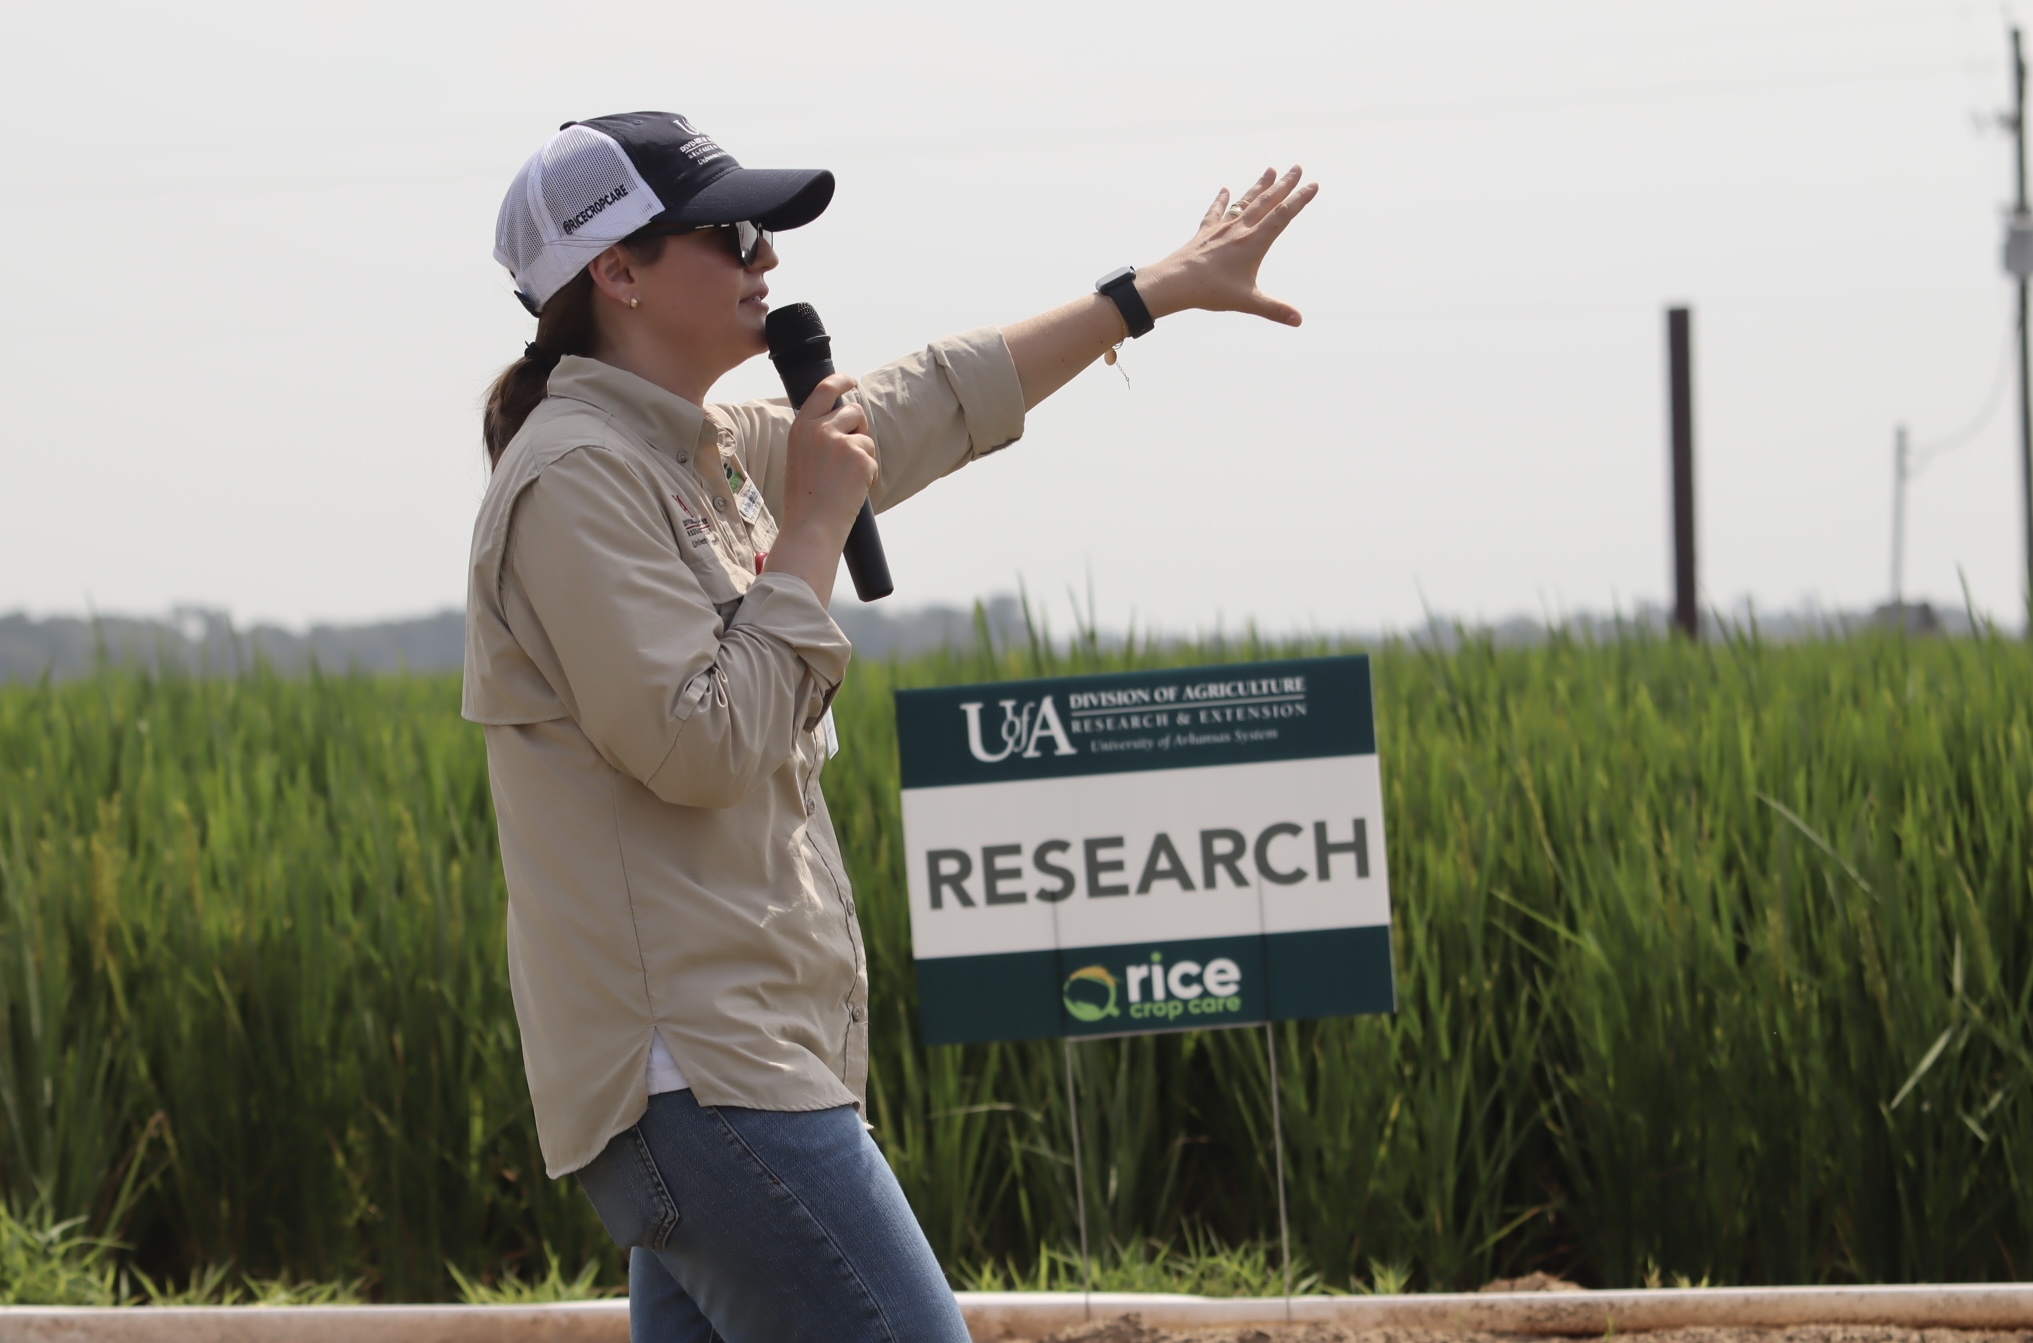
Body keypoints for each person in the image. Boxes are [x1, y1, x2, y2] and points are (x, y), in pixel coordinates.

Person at [463, 111, 1317, 1343]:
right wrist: (809, 532)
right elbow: (697, 744)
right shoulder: (576, 478)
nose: (765, 258)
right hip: (702, 1078)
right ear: (618, 271)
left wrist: (1147, 294)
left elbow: (924, 399)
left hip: (731, 1075)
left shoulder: (697, 455)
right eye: (731, 232)